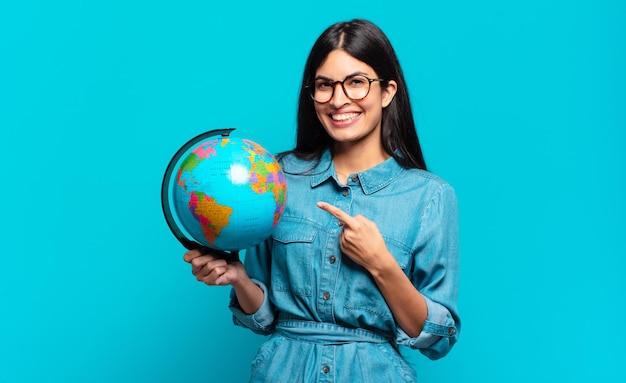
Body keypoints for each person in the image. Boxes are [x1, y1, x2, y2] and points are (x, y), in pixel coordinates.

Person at [183, 19, 460, 382]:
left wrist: (382, 265)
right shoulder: (277, 176)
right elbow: (264, 319)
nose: (338, 99)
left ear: (387, 91)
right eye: (325, 86)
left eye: (356, 83)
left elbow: (437, 340)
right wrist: (239, 280)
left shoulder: (430, 197)